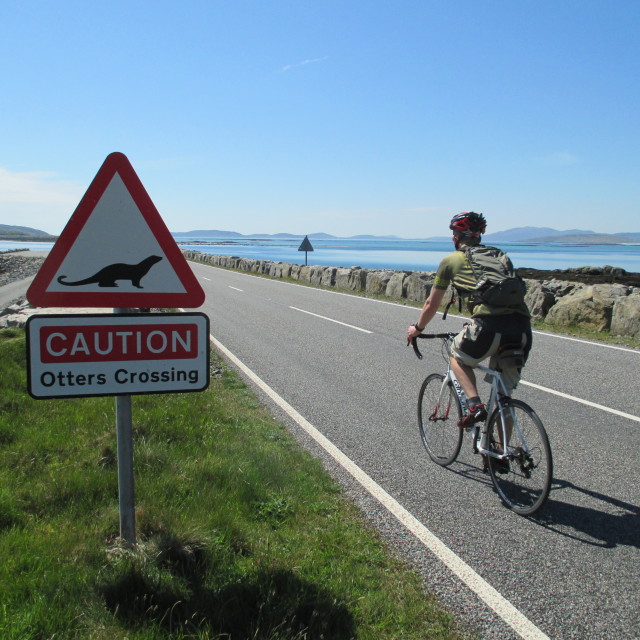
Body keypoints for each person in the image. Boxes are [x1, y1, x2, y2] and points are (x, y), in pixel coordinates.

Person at [406, 211, 532, 428]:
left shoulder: (451, 260)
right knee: (504, 400)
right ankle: (502, 458)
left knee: (457, 356)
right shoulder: (499, 255)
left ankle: (474, 406)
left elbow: (431, 304)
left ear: (456, 236)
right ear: (479, 235)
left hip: (489, 327)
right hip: (522, 329)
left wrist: (417, 328)